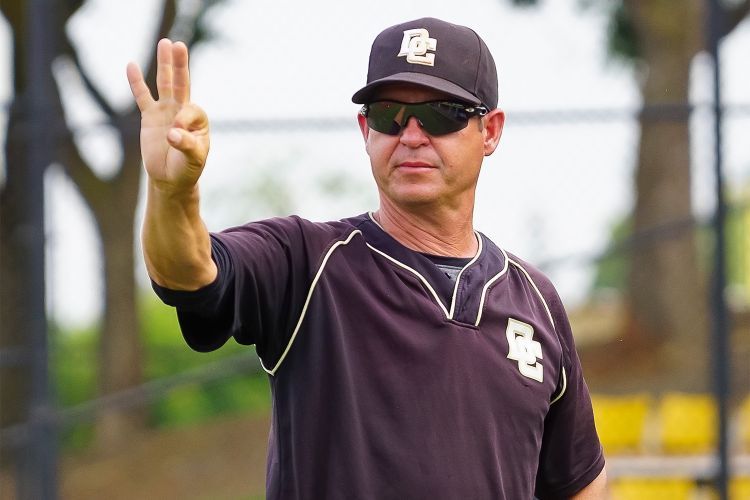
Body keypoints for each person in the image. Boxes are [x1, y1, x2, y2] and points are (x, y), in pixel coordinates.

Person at [127, 17, 606, 499]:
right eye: (388, 114)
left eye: (442, 114)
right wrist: (173, 194)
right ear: (365, 128)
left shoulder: (535, 302)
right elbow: (187, 271)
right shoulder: (307, 263)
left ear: (490, 131)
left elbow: (580, 483)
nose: (412, 135)